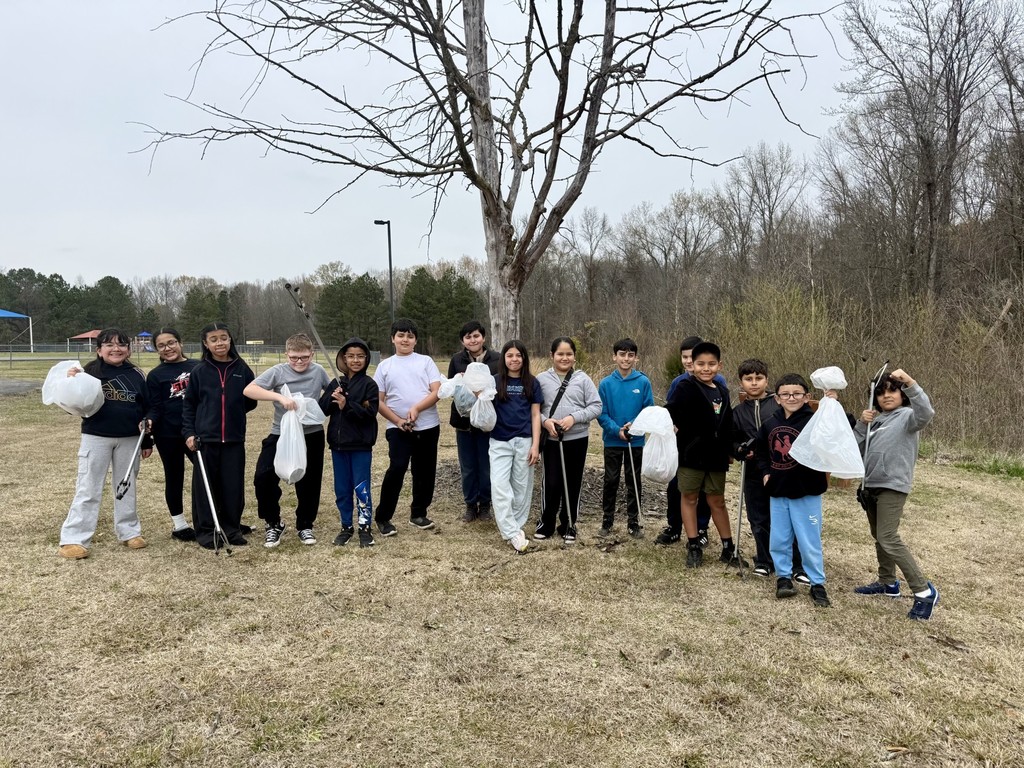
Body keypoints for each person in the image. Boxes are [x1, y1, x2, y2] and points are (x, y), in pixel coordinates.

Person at [58, 328, 152, 559]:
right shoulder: (88, 372)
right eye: (109, 345)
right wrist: (69, 382)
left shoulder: (137, 374)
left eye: (121, 344)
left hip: (130, 438)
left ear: (128, 350)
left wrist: (146, 440)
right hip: (97, 436)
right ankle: (74, 538)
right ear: (99, 350)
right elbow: (72, 406)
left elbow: (147, 407)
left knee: (126, 485)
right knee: (88, 486)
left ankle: (129, 531)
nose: (116, 349)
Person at [853, 369, 939, 620]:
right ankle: (887, 582)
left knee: (888, 537)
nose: (886, 396)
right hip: (871, 485)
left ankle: (924, 591)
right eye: (880, 393)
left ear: (902, 395)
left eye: (893, 391)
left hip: (893, 484)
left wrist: (910, 382)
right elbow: (855, 448)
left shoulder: (909, 417)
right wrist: (862, 424)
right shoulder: (875, 420)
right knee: (879, 536)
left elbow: (926, 412)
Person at [243, 333, 331, 548]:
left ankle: (305, 524)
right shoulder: (278, 371)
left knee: (309, 481)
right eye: (294, 357)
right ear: (286, 354)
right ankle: (273, 523)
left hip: (311, 434)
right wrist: (280, 397)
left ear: (312, 354)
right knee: (263, 476)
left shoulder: (318, 371)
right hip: (281, 433)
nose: (299, 361)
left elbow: (331, 392)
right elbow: (249, 390)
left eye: (304, 357)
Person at [754, 373, 834, 608]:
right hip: (778, 491)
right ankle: (783, 577)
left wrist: (832, 404)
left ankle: (817, 583)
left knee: (809, 540)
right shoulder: (770, 423)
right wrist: (766, 472)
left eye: (797, 393)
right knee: (780, 538)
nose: (791, 398)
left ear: (807, 397)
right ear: (777, 398)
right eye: (786, 394)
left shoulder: (816, 421)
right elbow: (761, 450)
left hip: (807, 491)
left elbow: (842, 427)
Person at [666, 341, 741, 568]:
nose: (706, 369)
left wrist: (731, 449)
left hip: (716, 457)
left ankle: (728, 547)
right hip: (691, 455)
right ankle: (693, 544)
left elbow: (727, 424)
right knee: (689, 497)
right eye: (700, 364)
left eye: (711, 364)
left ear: (720, 365)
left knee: (717, 500)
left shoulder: (722, 391)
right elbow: (670, 413)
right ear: (692, 364)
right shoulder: (684, 388)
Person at [182, 322, 257, 550]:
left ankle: (231, 528)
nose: (219, 343)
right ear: (206, 344)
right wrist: (189, 432)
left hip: (234, 439)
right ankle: (207, 530)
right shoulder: (199, 371)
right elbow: (189, 405)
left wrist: (232, 413)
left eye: (223, 338)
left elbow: (251, 400)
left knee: (233, 486)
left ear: (230, 339)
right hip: (206, 440)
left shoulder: (242, 369)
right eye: (213, 339)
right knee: (206, 488)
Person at [732, 358, 805, 579]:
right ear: (741, 382)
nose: (754, 383)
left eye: (759, 378)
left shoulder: (779, 403)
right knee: (758, 517)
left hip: (783, 470)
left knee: (788, 518)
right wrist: (740, 451)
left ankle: (796, 563)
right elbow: (732, 440)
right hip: (753, 472)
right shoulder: (737, 412)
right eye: (748, 379)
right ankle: (764, 560)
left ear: (767, 380)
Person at [656, 335, 727, 547]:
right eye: (685, 357)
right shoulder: (679, 383)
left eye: (691, 357)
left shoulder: (719, 384)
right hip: (684, 449)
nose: (688, 361)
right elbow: (671, 411)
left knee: (705, 492)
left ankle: (701, 527)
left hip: (709, 452)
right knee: (677, 488)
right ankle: (674, 526)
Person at [374, 318, 443, 536]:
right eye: (401, 335)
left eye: (410, 336)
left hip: (428, 426)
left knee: (424, 471)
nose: (405, 340)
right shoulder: (385, 366)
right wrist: (397, 421)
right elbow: (378, 400)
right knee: (397, 468)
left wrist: (417, 408)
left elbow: (437, 391)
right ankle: (383, 517)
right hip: (398, 429)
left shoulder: (426, 362)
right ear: (392, 339)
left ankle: (418, 513)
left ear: (415, 340)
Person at [534, 337, 602, 544]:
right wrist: (545, 422)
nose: (565, 358)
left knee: (573, 482)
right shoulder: (541, 379)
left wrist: (574, 418)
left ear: (574, 356)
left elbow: (596, 406)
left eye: (569, 354)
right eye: (560, 354)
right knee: (552, 482)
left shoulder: (583, 379)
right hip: (552, 440)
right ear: (552, 355)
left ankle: (569, 523)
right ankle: (546, 522)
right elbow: (534, 410)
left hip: (577, 439)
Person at [320, 338, 380, 548]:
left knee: (361, 488)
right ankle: (346, 526)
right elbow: (323, 409)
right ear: (343, 359)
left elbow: (369, 414)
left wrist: (347, 404)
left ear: (366, 359)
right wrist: (334, 396)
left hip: (360, 446)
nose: (355, 360)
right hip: (338, 446)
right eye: (351, 356)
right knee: (342, 489)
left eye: (360, 356)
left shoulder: (369, 384)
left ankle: (365, 527)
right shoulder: (337, 382)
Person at [488, 340, 544, 553]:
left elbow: (535, 414)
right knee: (500, 485)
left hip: (525, 441)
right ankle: (512, 532)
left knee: (521, 488)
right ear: (503, 358)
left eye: (518, 355)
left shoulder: (532, 382)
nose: (514, 359)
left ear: (524, 358)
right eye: (510, 355)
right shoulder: (494, 381)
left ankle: (516, 528)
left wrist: (535, 445)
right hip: (500, 441)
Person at [146, 327, 200, 542]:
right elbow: (154, 407)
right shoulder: (155, 375)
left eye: (171, 343)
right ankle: (180, 525)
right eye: (161, 345)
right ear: (156, 349)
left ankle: (220, 518)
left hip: (195, 432)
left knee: (208, 474)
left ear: (180, 343)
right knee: (174, 476)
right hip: (168, 434)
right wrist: (149, 422)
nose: (167, 348)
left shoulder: (198, 367)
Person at [597, 338, 654, 537]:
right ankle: (607, 520)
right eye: (622, 354)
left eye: (630, 355)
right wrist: (616, 430)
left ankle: (633, 522)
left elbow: (648, 409)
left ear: (636, 358)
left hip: (634, 440)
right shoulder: (605, 384)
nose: (626, 359)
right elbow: (601, 413)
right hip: (613, 440)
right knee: (610, 480)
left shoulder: (643, 382)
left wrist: (634, 425)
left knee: (633, 480)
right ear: (614, 357)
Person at [448, 321, 501, 522]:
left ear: (483, 337)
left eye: (476, 336)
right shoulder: (457, 360)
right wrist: (461, 381)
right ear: (463, 341)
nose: (473, 340)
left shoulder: (496, 359)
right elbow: (452, 389)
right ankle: (470, 505)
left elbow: (499, 386)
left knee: (486, 465)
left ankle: (485, 505)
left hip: (487, 422)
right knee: (468, 466)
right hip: (464, 423)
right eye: (468, 337)